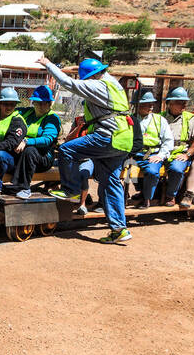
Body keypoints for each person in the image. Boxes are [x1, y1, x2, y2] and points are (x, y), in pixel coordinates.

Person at [46, 55, 136, 244]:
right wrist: (74, 67)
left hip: (107, 136)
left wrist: (48, 64)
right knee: (111, 182)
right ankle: (119, 229)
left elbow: (67, 83)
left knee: (67, 151)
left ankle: (71, 190)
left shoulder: (98, 86)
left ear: (92, 77)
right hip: (123, 139)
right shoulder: (113, 83)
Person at [12, 85, 61, 199]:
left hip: (44, 157)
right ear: (33, 102)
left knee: (30, 151)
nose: (40, 105)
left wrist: (26, 141)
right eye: (38, 102)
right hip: (23, 154)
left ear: (50, 104)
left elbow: (47, 139)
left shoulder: (52, 118)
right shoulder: (29, 113)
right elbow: (9, 107)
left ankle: (24, 188)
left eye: (44, 103)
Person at [160, 87, 194, 205]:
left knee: (176, 168)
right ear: (170, 103)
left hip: (179, 152)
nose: (183, 105)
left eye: (185, 102)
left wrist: (187, 154)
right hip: (160, 151)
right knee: (142, 166)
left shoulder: (190, 118)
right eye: (180, 102)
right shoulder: (160, 117)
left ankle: (170, 196)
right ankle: (145, 195)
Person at [132, 91, 173, 208]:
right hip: (133, 154)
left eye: (151, 104)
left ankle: (147, 198)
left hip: (151, 154)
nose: (150, 106)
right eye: (146, 104)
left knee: (152, 171)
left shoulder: (160, 120)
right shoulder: (129, 119)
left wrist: (160, 155)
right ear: (138, 105)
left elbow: (168, 140)